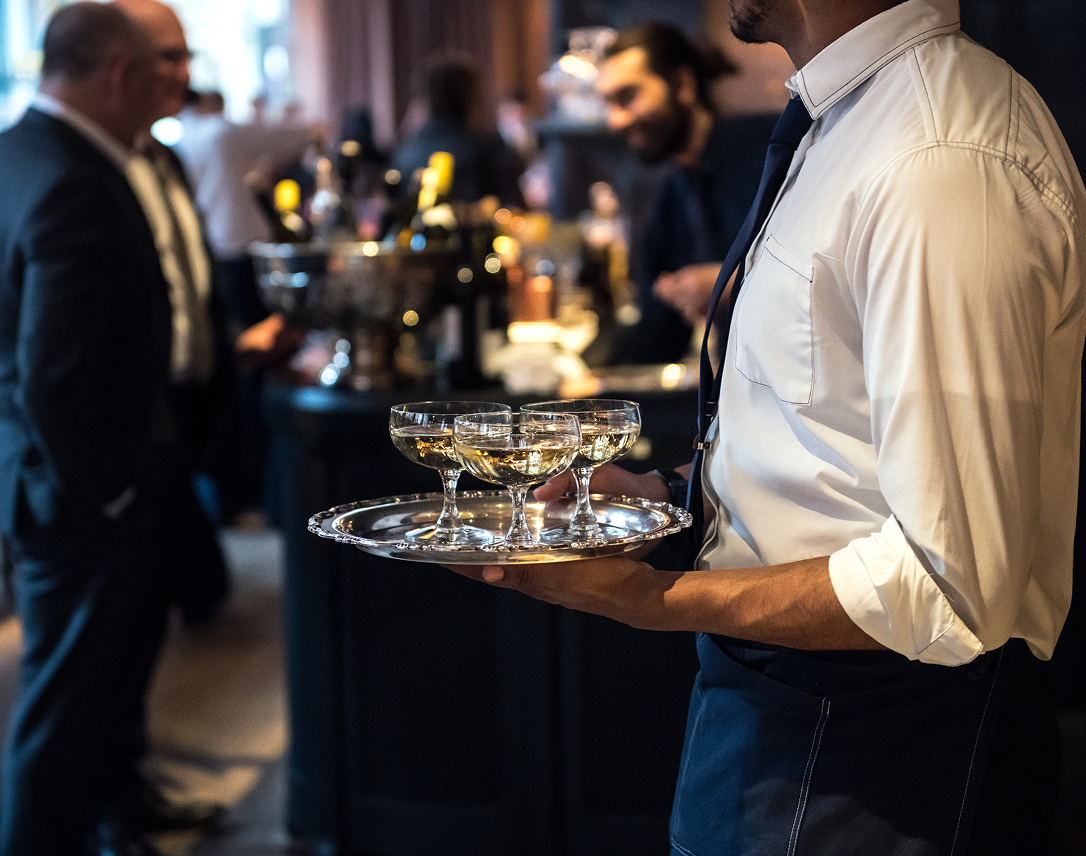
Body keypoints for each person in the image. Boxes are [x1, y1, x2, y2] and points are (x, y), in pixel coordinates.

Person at [450, 0, 1086, 853]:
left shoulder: (942, 159)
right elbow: (822, 438)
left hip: (883, 735)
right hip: (775, 690)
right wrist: (669, 496)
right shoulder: (848, 116)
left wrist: (653, 601)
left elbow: (952, 585)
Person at [0, 4, 221, 855]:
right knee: (62, 703)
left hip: (64, 474)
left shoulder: (23, 151)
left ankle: (115, 809)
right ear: (121, 75)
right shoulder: (73, 181)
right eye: (160, 70)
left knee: (106, 678)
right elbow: (52, 376)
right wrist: (114, 490)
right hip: (77, 488)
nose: (177, 85)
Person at [113, 0, 240, 610]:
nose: (184, 72)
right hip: (124, 431)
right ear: (121, 63)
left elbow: (184, 277)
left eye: (187, 54)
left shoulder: (165, 158)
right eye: (169, 55)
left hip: (183, 406)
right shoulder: (89, 172)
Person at [596, 22, 779, 365]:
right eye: (607, 103)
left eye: (627, 97)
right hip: (732, 395)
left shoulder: (772, 151)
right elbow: (660, 332)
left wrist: (734, 283)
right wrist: (574, 366)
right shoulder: (669, 193)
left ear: (682, 85)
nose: (615, 120)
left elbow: (826, 271)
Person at [388, 54, 525, 210]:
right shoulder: (491, 153)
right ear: (472, 99)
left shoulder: (403, 154)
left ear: (424, 99)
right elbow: (516, 214)